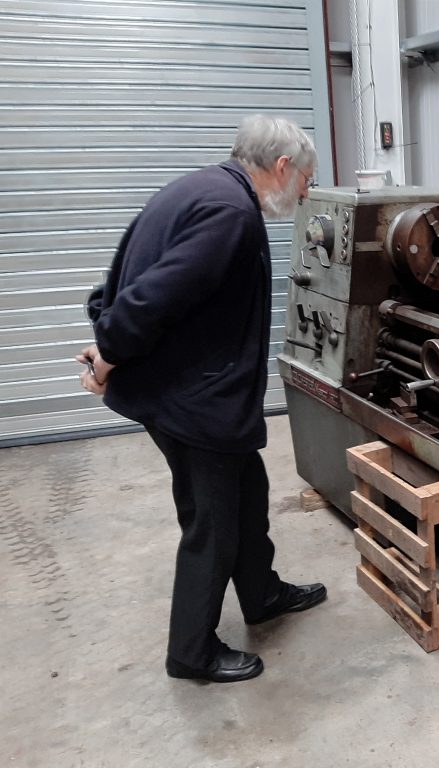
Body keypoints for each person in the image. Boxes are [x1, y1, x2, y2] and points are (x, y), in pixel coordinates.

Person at [77, 115, 327, 683]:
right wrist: (109, 355)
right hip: (193, 402)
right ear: (282, 166)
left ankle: (261, 594)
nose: (308, 192)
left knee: (249, 491)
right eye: (307, 178)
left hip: (197, 393)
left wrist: (107, 338)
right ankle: (191, 652)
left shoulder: (200, 188)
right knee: (212, 523)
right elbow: (152, 298)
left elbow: (124, 279)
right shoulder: (230, 214)